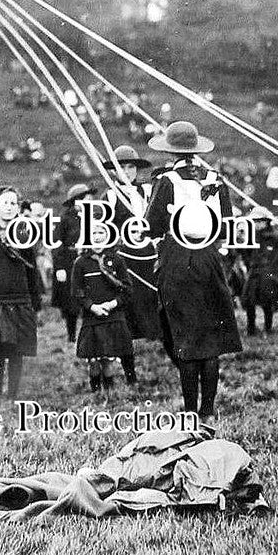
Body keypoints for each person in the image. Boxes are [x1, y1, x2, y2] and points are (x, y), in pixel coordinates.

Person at [145, 121, 242, 422]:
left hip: (177, 259)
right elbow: (226, 221)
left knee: (185, 336)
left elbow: (153, 225)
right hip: (210, 259)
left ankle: (189, 411)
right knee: (210, 336)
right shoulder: (216, 179)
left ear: (170, 151)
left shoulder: (166, 181)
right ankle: (208, 409)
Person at [103, 144, 161, 384]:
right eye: (121, 168)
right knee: (125, 318)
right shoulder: (109, 197)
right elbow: (104, 232)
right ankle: (130, 375)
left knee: (158, 310)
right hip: (125, 264)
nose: (126, 172)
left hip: (149, 261)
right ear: (114, 172)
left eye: (130, 167)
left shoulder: (149, 192)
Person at [0, 186, 44, 403]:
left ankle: (13, 393)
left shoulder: (25, 232)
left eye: (12, 203)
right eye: (4, 203)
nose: (8, 207)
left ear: (18, 208)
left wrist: (35, 299)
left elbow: (32, 268)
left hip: (19, 297)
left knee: (17, 349)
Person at [71, 226, 133, 393]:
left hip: (113, 316)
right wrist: (92, 307)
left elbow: (127, 289)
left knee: (108, 358)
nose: (97, 238)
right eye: (93, 233)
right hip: (92, 318)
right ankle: (96, 392)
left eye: (101, 233)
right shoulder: (81, 263)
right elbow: (77, 292)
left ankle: (110, 392)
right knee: (93, 359)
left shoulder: (117, 260)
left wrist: (113, 304)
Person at [240, 212, 278, 336]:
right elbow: (245, 254)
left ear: (266, 222)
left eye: (260, 221)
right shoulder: (250, 237)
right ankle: (251, 329)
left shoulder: (273, 238)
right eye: (255, 222)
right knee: (249, 302)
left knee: (266, 303)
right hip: (254, 271)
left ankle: (268, 328)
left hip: (268, 272)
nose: (257, 224)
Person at [51, 184, 89, 344]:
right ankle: (71, 335)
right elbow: (56, 243)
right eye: (86, 198)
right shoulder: (65, 217)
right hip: (68, 261)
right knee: (70, 301)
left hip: (87, 259)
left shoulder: (91, 217)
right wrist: (59, 267)